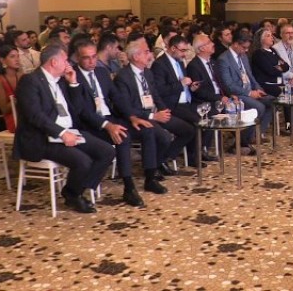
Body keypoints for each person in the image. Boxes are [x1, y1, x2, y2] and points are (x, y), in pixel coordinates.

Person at [13, 44, 116, 214]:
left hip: (69, 131)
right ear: (54, 62)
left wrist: (73, 84)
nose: (68, 64)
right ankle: (74, 195)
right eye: (65, 60)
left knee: (107, 151)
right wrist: (61, 133)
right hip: (43, 137)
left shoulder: (61, 81)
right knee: (83, 161)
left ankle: (75, 190)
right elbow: (35, 116)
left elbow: (77, 109)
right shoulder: (30, 81)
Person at [72, 39, 163, 205]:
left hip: (111, 117)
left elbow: (117, 97)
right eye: (86, 58)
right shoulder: (73, 77)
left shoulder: (101, 73)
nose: (92, 61)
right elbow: (83, 112)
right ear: (78, 58)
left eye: (94, 57)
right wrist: (107, 126)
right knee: (123, 137)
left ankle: (150, 178)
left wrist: (132, 117)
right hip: (91, 124)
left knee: (147, 129)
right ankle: (129, 188)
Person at [114, 41, 196, 175]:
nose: (150, 55)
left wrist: (164, 110)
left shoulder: (147, 72)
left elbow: (155, 95)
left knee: (188, 130)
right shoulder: (123, 77)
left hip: (154, 112)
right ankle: (152, 170)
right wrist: (153, 116)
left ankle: (162, 160)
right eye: (146, 52)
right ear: (136, 56)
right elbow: (126, 107)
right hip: (138, 117)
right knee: (163, 137)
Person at [149, 35, 207, 164]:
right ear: (173, 48)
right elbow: (160, 91)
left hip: (185, 102)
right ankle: (167, 157)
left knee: (202, 121)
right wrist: (180, 84)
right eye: (182, 50)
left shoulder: (180, 62)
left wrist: (190, 88)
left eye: (186, 50)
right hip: (171, 105)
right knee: (196, 123)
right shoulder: (159, 64)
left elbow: (183, 84)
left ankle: (191, 156)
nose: (184, 54)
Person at [216, 31, 274, 152]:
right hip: (236, 95)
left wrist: (258, 88)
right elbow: (228, 86)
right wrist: (249, 93)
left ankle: (254, 135)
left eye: (247, 48)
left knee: (271, 101)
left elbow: (250, 76)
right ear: (236, 44)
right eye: (244, 47)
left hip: (249, 89)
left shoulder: (243, 56)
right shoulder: (224, 60)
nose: (246, 50)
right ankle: (241, 141)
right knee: (258, 107)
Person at [0, 45, 22, 133]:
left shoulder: (23, 76)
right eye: (12, 56)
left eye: (18, 56)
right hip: (14, 119)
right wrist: (19, 97)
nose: (17, 59)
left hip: (28, 114)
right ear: (2, 60)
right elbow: (4, 109)